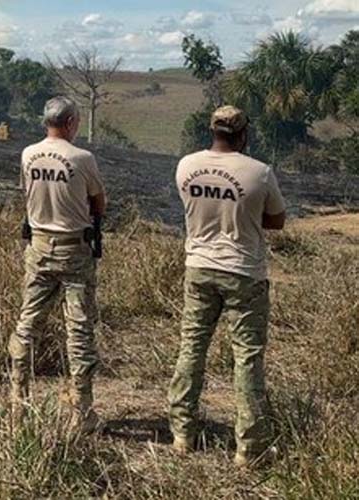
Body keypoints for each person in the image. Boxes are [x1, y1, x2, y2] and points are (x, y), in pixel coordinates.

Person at [168, 105, 286, 467]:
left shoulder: (186, 166)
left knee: (191, 349)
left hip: (199, 268)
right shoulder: (259, 173)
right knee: (247, 358)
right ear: (243, 134)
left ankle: (182, 434)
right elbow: (277, 220)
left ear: (212, 130)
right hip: (244, 273)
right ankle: (249, 448)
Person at [9, 96, 107, 431]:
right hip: (74, 251)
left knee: (27, 323)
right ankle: (82, 413)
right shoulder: (82, 158)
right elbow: (98, 203)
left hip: (38, 246)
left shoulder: (28, 154)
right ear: (69, 123)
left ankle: (17, 401)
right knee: (78, 330)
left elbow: (27, 193)